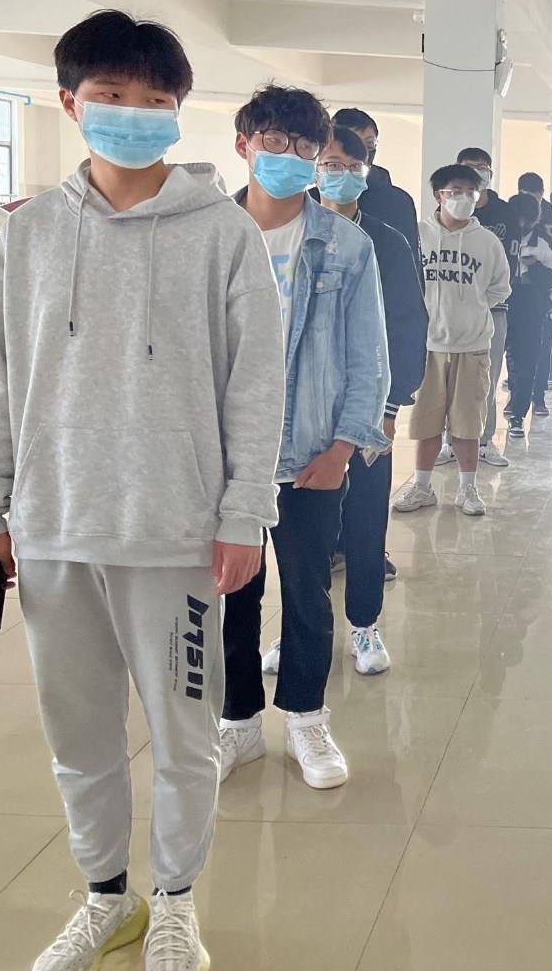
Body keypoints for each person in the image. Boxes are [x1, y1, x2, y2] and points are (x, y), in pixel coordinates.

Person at [0, 11, 283, 971]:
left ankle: (176, 902)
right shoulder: (28, 236)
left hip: (174, 532)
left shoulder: (225, 236)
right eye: (110, 96)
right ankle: (108, 898)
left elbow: (255, 388)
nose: (132, 114)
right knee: (79, 734)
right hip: (54, 526)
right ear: (70, 102)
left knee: (184, 736)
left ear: (178, 112)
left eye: (154, 100)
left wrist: (244, 515)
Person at [219, 84, 388, 797]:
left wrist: (343, 448)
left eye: (303, 146)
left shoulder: (346, 246)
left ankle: (307, 718)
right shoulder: (209, 235)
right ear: (244, 145)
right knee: (230, 593)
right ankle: (237, 722)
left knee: (309, 593)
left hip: (311, 453)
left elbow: (368, 358)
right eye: (274, 142)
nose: (288, 156)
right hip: (223, 458)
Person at [315, 127, 428, 673]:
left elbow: (409, 325)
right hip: (302, 410)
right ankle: (302, 632)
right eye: (328, 163)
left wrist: (391, 405)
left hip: (367, 404)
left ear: (366, 171)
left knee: (363, 518)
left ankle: (364, 625)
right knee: (304, 530)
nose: (338, 174)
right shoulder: (290, 231)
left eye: (349, 165)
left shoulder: (387, 242)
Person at [391, 164, 511, 517]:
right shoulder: (417, 236)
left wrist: (470, 311)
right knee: (426, 422)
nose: (464, 198)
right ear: (438, 195)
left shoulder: (487, 242)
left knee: (467, 423)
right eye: (456, 191)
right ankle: (422, 486)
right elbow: (405, 284)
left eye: (471, 192)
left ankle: (467, 489)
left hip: (471, 345)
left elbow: (499, 288)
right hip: (427, 345)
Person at [462, 147, 515, 468]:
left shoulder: (505, 213)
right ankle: (450, 441)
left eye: (482, 167)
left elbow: (510, 263)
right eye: (469, 167)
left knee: (488, 377)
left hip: (495, 309)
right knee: (451, 378)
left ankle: (484, 440)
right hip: (453, 311)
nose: (476, 173)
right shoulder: (449, 210)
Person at [504, 193, 552, 438]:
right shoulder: (496, 237)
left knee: (527, 360)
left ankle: (518, 415)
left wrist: (533, 267)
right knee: (499, 359)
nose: (521, 224)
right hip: (500, 304)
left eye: (526, 220)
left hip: (529, 306)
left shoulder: (543, 242)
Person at [332, 107, 421, 273]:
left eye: (369, 144)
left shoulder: (397, 202)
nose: (362, 152)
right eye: (353, 143)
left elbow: (410, 267)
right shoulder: (309, 199)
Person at [516, 173, 552, 413]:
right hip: (515, 294)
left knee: (543, 344)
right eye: (524, 195)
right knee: (515, 348)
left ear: (541, 195)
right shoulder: (511, 212)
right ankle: (516, 395)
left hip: (545, 293)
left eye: (534, 197)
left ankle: (539, 396)